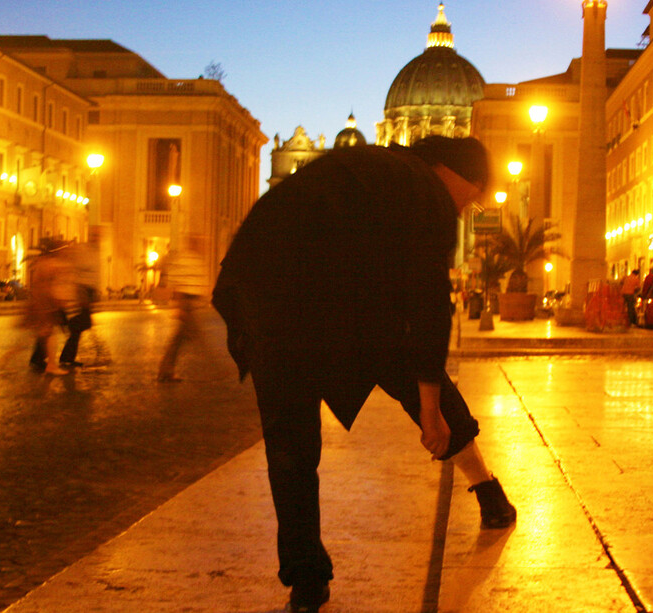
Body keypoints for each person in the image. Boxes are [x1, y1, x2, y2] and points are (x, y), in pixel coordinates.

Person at [212, 136, 516, 613]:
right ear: (460, 176)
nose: (468, 208)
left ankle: (306, 581)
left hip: (261, 288)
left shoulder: (375, 167)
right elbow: (430, 310)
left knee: (290, 447)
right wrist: (430, 409)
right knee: (415, 368)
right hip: (329, 295)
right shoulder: (427, 193)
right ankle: (488, 492)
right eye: (474, 196)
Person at [157, 235, 205, 382]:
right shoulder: (184, 259)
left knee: (182, 337)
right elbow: (176, 283)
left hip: (190, 302)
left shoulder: (195, 259)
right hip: (185, 302)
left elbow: (198, 281)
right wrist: (180, 306)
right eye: (198, 242)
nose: (200, 245)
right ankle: (166, 370)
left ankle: (166, 370)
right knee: (189, 336)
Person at [26, 238, 77, 375]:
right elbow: (54, 285)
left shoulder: (42, 262)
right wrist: (60, 301)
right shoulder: (52, 264)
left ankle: (47, 363)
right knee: (49, 334)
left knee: (45, 334)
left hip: (41, 302)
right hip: (47, 303)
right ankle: (51, 365)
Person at [58, 240, 98, 368]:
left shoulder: (84, 258)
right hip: (74, 299)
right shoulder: (71, 264)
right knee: (75, 328)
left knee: (75, 330)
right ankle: (60, 358)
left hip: (79, 297)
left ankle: (66, 357)